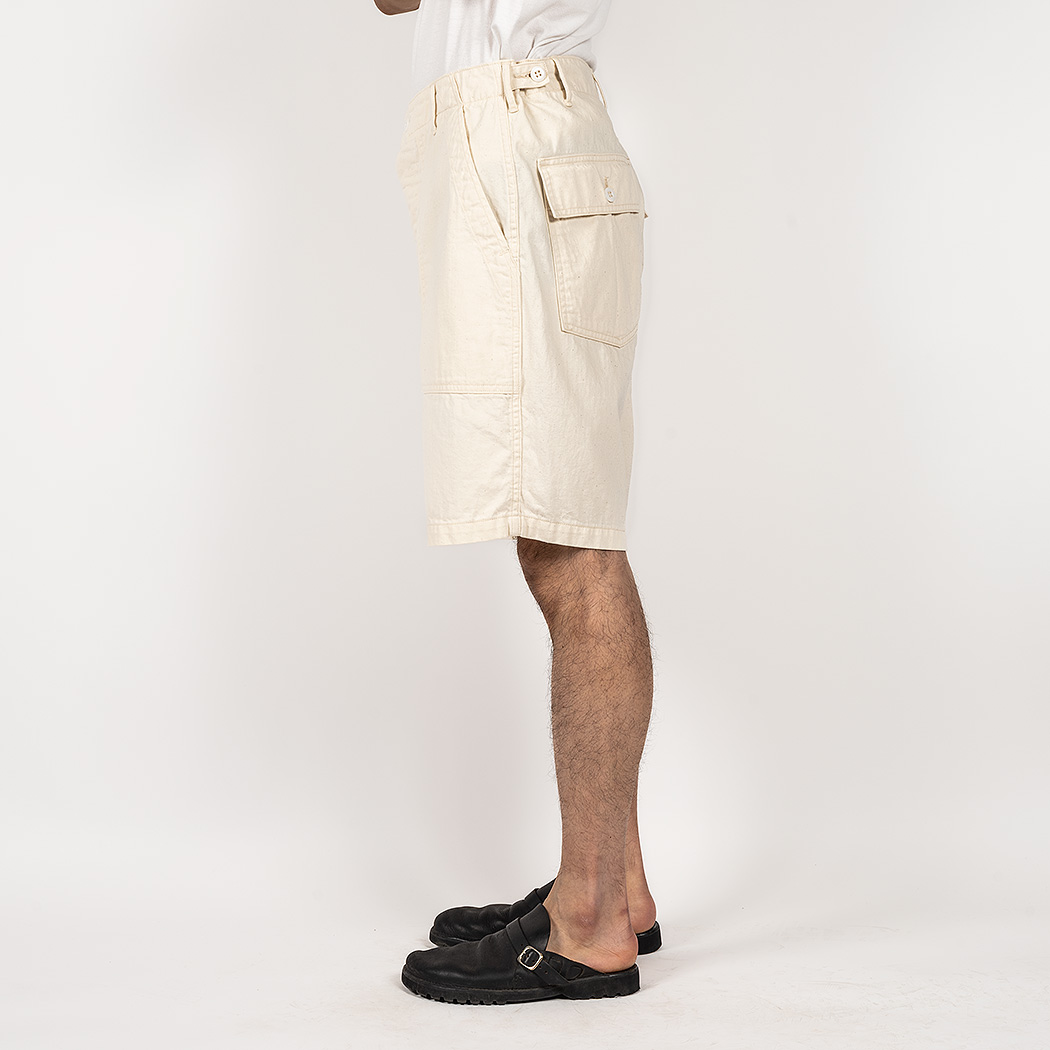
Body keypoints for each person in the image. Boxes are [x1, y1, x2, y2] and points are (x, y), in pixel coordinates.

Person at [376, 0, 659, 1005]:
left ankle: (588, 923)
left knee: (569, 545)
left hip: (520, 139)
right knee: (565, 526)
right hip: (524, 137)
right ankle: (615, 886)